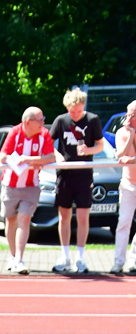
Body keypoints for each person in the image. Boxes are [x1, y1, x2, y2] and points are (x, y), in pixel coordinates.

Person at [50, 89, 104, 274]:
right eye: (72, 111)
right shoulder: (60, 120)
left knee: (82, 216)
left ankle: (80, 257)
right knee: (64, 216)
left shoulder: (92, 120)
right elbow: (49, 143)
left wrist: (88, 150)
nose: (75, 115)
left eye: (79, 111)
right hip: (65, 174)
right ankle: (64, 256)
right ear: (67, 107)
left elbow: (100, 145)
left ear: (84, 106)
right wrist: (57, 155)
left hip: (84, 174)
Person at [0, 107, 56, 274]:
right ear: (28, 122)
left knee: (24, 220)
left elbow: (51, 157)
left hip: (31, 186)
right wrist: (17, 160)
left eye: (43, 119)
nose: (43, 123)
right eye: (40, 120)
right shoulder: (15, 133)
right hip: (10, 185)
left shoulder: (44, 134)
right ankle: (12, 256)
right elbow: (2, 156)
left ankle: (19, 259)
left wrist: (29, 160)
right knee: (11, 221)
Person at [110, 101, 136, 275]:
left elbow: (128, 159)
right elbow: (121, 155)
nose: (129, 119)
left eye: (133, 115)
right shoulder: (122, 132)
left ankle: (134, 259)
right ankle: (118, 262)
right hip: (128, 184)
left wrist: (132, 160)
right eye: (128, 114)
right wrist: (131, 135)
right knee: (124, 223)